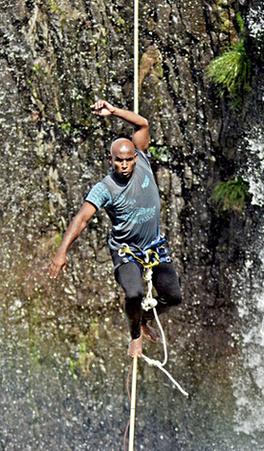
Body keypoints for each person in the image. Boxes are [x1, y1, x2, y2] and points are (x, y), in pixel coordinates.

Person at [48, 100, 182, 358]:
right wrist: (61, 252)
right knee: (134, 293)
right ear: (111, 160)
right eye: (119, 160)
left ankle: (142, 319)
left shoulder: (142, 158)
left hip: (154, 245)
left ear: (135, 157)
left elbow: (142, 123)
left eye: (128, 160)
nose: (124, 165)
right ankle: (135, 335)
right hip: (126, 251)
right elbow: (81, 219)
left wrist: (113, 111)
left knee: (173, 296)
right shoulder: (105, 188)